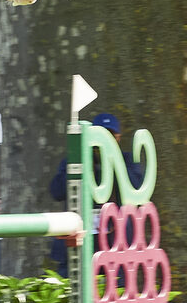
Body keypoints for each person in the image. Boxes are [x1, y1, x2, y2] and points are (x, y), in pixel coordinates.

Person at [48, 112, 145, 274]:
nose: (105, 140)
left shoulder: (127, 160)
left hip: (116, 245)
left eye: (110, 136)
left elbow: (137, 192)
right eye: (101, 135)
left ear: (118, 138)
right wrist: (82, 164)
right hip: (78, 246)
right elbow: (56, 192)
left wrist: (114, 163)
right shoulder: (74, 159)